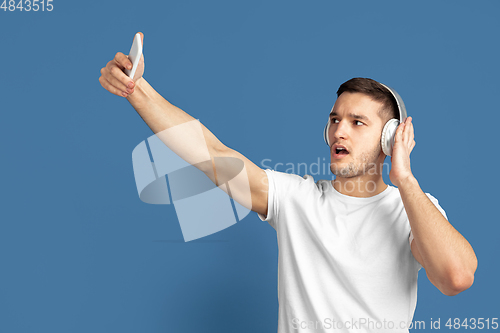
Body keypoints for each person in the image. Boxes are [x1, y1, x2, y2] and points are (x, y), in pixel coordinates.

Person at [99, 32, 478, 333]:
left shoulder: (411, 209)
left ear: (389, 138)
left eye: (357, 122)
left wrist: (405, 179)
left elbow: (455, 277)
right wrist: (138, 91)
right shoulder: (296, 199)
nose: (338, 131)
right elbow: (211, 154)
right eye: (334, 119)